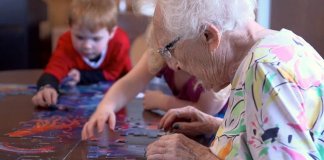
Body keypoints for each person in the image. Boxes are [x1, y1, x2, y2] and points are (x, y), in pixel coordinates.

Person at [144, 0, 324, 159]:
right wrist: (219, 127)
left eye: (170, 49)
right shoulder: (287, 43)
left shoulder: (265, 69)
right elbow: (281, 139)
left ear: (209, 36)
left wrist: (196, 155)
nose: (174, 64)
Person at [81, 48, 230, 140]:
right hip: (184, 130)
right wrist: (105, 106)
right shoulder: (162, 50)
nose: (172, 61)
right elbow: (129, 84)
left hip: (223, 130)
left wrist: (163, 102)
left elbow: (205, 111)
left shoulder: (214, 59)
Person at [32, 0, 131, 107]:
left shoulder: (120, 42)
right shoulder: (66, 42)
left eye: (96, 39)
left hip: (119, 96)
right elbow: (53, 70)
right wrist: (47, 87)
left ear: (111, 33)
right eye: (79, 37)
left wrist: (82, 76)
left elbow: (113, 73)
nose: (87, 45)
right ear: (70, 28)